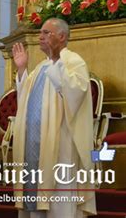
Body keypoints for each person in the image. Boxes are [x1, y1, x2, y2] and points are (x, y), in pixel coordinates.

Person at [11, 18, 96, 217]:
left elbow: (76, 93)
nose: (40, 37)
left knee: (59, 199)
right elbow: (25, 99)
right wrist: (22, 69)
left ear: (61, 36)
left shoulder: (73, 61)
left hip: (60, 144)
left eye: (46, 33)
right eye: (40, 32)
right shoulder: (40, 66)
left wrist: (57, 60)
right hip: (33, 145)